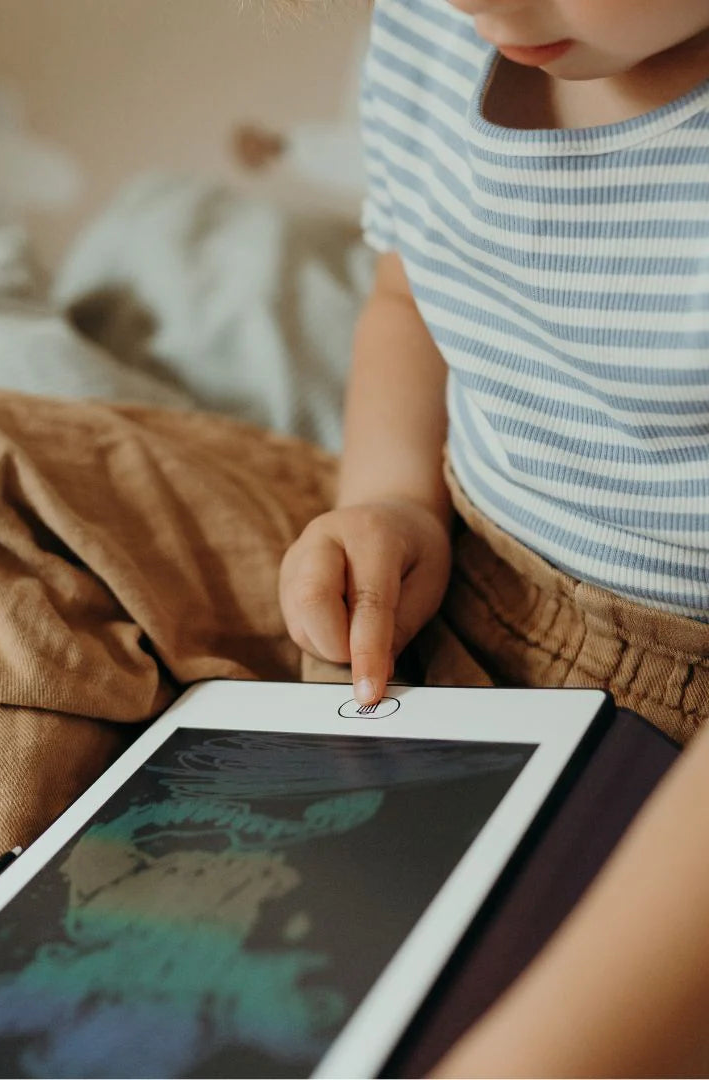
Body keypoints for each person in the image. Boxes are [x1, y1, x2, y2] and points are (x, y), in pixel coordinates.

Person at [267, 0, 709, 1073]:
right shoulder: (434, 26)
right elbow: (410, 295)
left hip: (675, 715)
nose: (488, 6)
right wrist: (386, 498)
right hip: (458, 559)